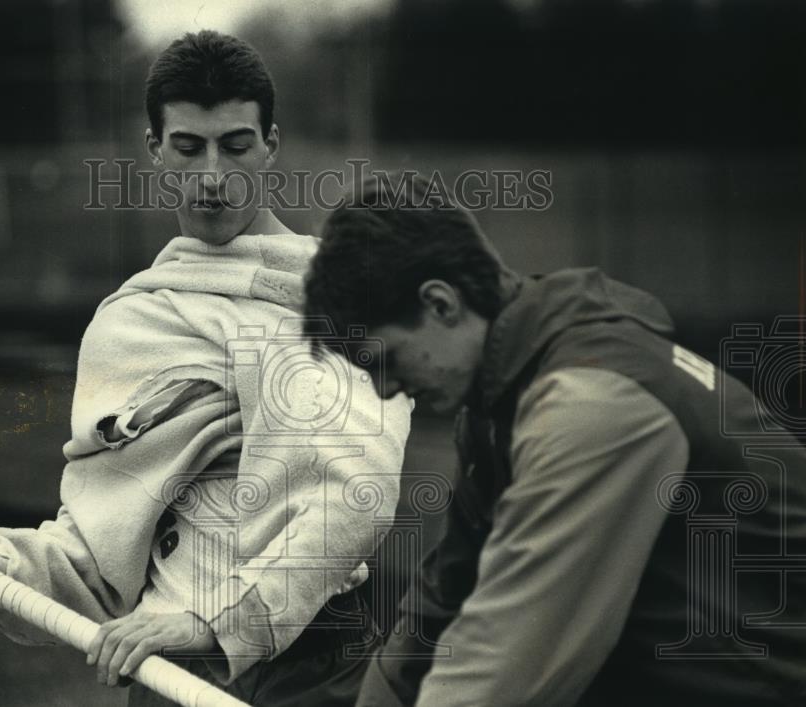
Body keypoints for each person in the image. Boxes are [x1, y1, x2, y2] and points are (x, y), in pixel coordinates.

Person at [0, 31, 411, 706]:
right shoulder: (128, 323)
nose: (213, 177)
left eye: (236, 145)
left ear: (271, 146)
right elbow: (92, 564)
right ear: (155, 151)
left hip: (312, 669)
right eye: (189, 148)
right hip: (166, 673)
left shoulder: (335, 293)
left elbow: (352, 493)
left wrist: (216, 625)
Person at [303, 174, 806, 706]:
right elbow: (441, 607)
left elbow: (508, 654)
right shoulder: (502, 404)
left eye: (383, 360)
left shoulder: (591, 404)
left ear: (441, 304)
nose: (384, 390)